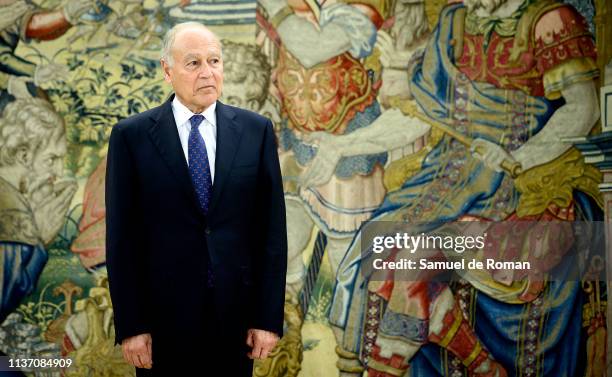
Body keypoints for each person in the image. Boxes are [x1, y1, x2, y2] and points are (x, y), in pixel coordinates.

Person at [300, 0, 601, 375]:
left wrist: (518, 157)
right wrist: (340, 146)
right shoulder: (455, 22)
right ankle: (481, 366)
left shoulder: (549, 21)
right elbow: (420, 118)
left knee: (413, 258)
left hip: (520, 182)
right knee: (373, 248)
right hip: (446, 178)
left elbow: (583, 108)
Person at [105, 22, 287, 376]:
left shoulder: (256, 131)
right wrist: (132, 326)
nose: (207, 72)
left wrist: (267, 318)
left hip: (235, 323)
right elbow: (122, 240)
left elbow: (271, 232)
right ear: (167, 70)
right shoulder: (131, 137)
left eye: (214, 61)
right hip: (161, 326)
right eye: (193, 63)